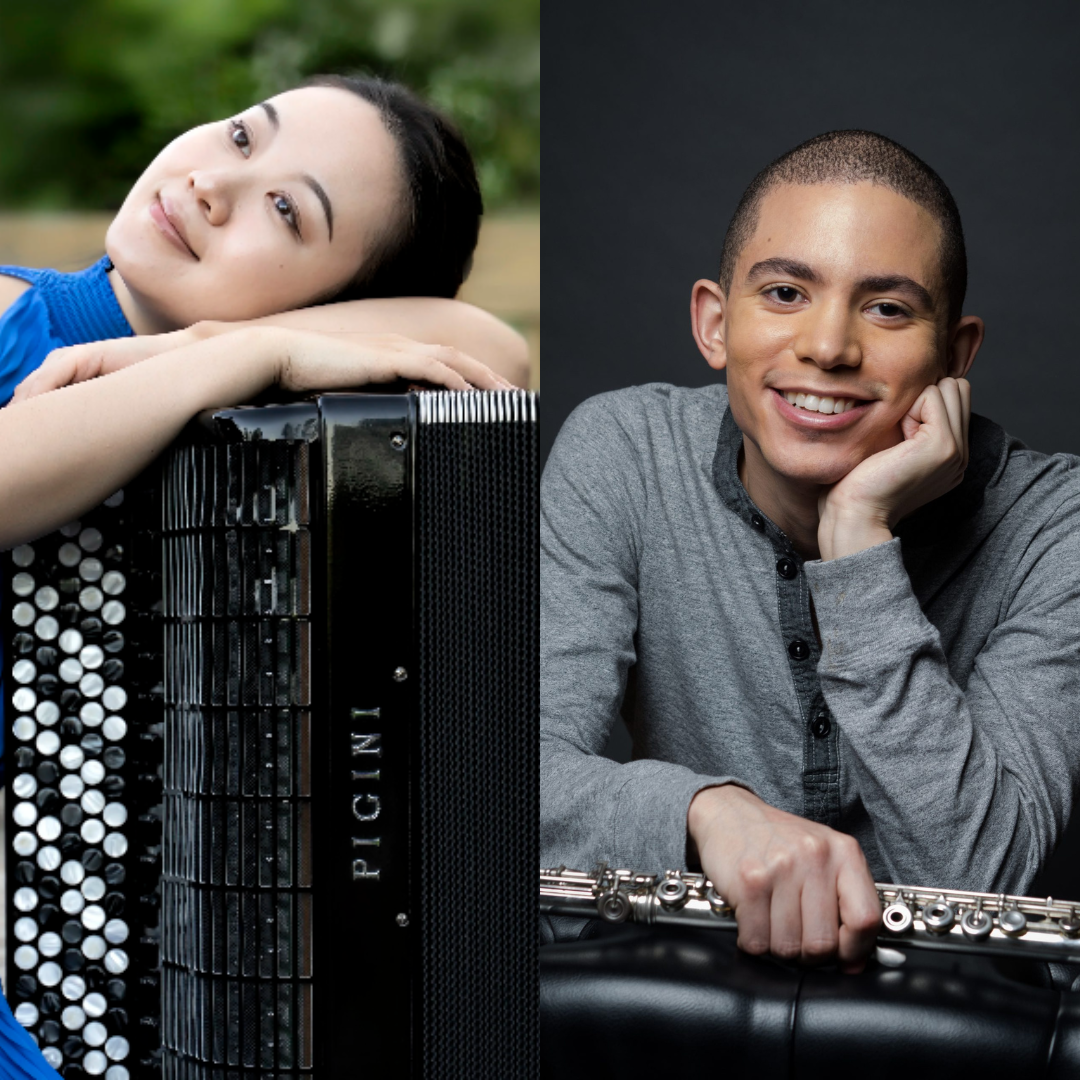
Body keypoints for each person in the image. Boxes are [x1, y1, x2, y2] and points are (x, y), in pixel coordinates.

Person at [540, 129, 1080, 973]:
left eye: (889, 308)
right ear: (716, 325)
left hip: (947, 1038)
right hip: (680, 1018)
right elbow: (502, 783)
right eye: (786, 292)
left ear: (956, 355)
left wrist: (858, 540)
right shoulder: (623, 452)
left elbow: (978, 876)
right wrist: (706, 812)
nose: (829, 346)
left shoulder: (1058, 527)